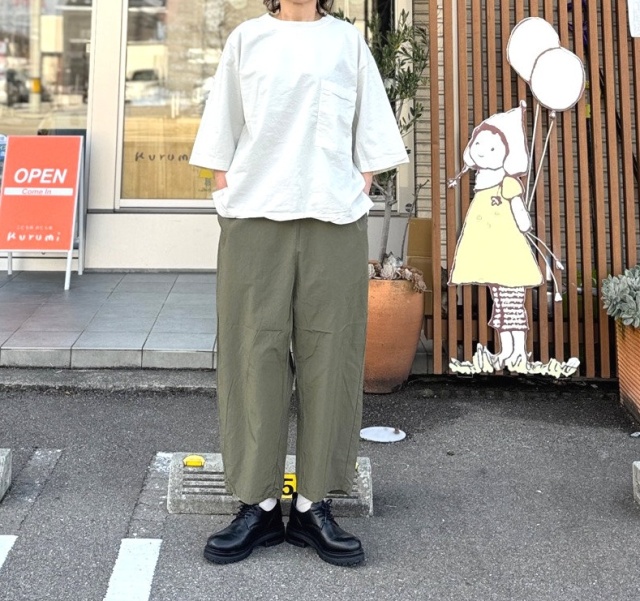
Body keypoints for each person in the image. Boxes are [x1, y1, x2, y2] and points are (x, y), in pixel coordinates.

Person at [190, 0, 408, 567]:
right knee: (251, 352)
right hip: (254, 215)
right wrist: (225, 190)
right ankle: (258, 505)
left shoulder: (346, 42)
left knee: (331, 354)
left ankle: (313, 505)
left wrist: (358, 185)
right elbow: (222, 124)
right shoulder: (247, 39)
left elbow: (372, 125)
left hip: (332, 217)